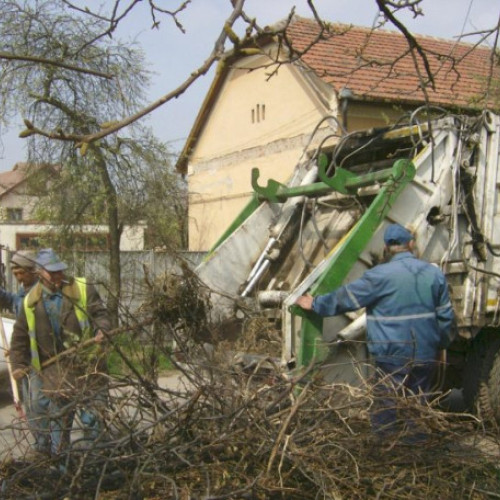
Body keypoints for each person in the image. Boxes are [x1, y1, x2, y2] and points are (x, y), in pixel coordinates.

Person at [295, 223, 455, 442]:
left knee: (387, 403)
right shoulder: (433, 274)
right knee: (417, 404)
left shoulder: (378, 276)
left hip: (392, 353)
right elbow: (446, 317)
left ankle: (387, 453)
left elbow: (347, 298)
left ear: (387, 248)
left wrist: (316, 304)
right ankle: (418, 455)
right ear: (410, 244)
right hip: (425, 352)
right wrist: (441, 343)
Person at [10, 248, 111, 456]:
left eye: (60, 271)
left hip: (88, 366)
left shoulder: (82, 288)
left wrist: (102, 329)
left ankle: (98, 464)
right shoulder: (30, 301)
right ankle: (60, 465)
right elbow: (20, 337)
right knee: (59, 422)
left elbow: (100, 313)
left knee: (93, 418)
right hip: (54, 371)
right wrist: (19, 364)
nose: (58, 276)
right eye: (52, 272)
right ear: (40, 273)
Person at [0, 250, 38, 316]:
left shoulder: (41, 293)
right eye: (15, 274)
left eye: (22, 273)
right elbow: (14, 301)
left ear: (33, 270)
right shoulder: (24, 290)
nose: (19, 277)